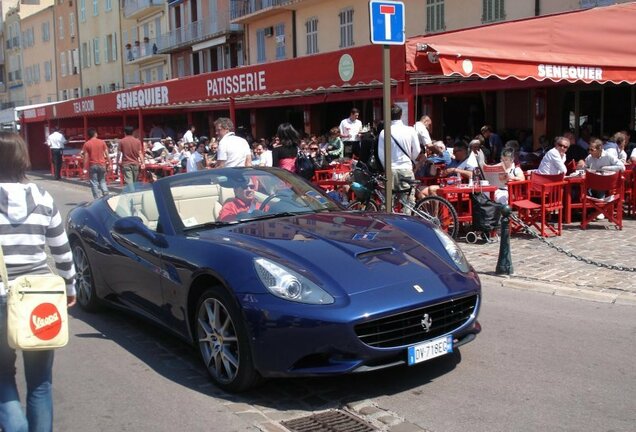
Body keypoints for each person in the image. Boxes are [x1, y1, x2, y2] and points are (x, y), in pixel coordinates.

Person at [0, 132, 76, 432]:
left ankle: (16, 427)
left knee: (2, 376)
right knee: (41, 383)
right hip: (39, 298)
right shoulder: (43, 198)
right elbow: (61, 248)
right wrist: (70, 286)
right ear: (23, 159)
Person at [378, 104, 420, 208]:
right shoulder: (410, 130)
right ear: (401, 115)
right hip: (406, 167)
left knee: (389, 202)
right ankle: (408, 222)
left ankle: (390, 222)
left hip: (390, 169)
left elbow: (381, 154)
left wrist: (386, 167)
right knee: (408, 201)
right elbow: (417, 150)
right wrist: (412, 159)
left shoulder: (384, 132)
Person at [82, 128, 110, 199]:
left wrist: (84, 167)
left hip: (93, 164)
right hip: (102, 164)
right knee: (102, 180)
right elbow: (107, 153)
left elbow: (86, 156)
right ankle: (106, 194)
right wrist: (109, 163)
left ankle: (97, 198)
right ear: (95, 134)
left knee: (94, 182)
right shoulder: (102, 142)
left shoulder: (87, 144)